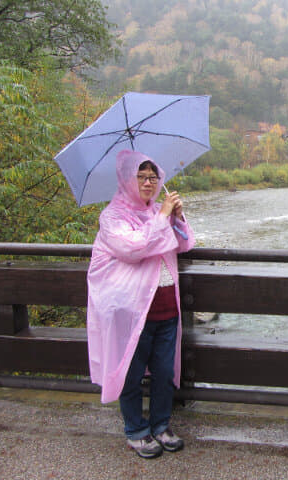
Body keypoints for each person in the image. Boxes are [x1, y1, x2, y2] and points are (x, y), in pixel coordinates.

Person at [86, 149, 195, 459]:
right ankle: (135, 430)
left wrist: (176, 217)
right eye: (142, 176)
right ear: (126, 178)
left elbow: (185, 244)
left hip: (167, 307)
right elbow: (132, 248)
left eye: (154, 176)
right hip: (133, 312)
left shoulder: (155, 212)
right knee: (130, 375)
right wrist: (162, 216)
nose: (149, 182)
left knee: (164, 373)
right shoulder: (112, 216)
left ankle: (161, 425)